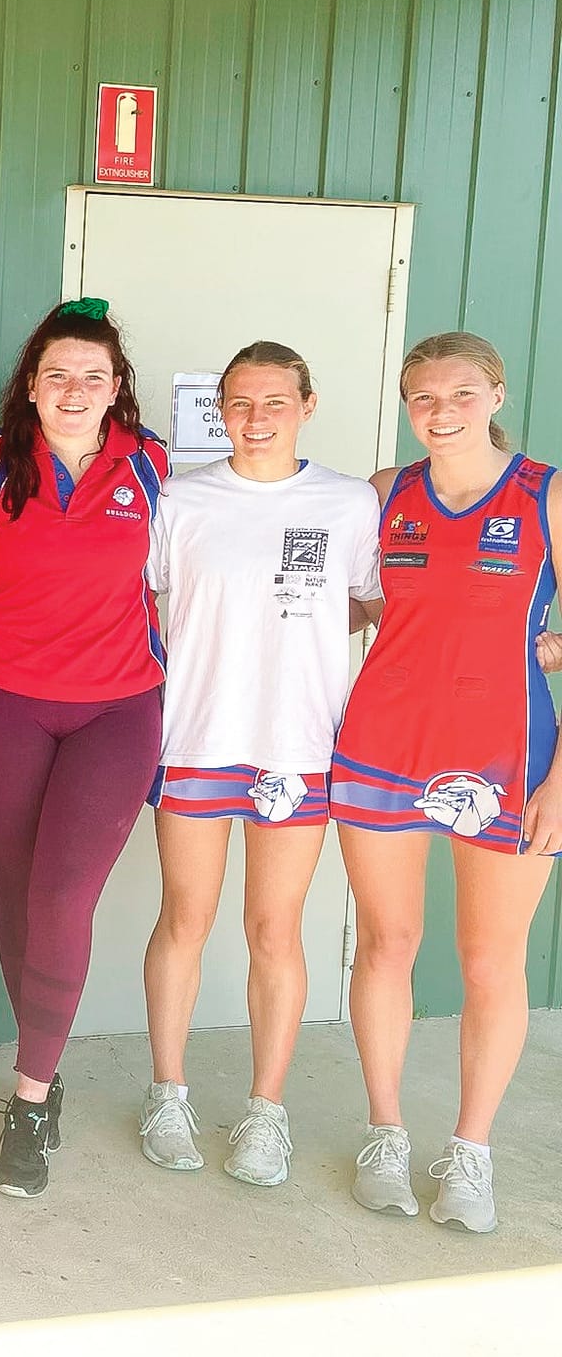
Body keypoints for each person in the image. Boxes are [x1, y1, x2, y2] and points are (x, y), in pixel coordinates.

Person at [331, 331, 561, 1233]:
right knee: (385, 944)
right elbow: (353, 607)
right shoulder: (387, 492)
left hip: (509, 754)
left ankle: (471, 1151)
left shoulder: (545, 493)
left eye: (461, 394)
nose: (441, 412)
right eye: (423, 397)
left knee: (489, 961)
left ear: (496, 396)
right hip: (383, 743)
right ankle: (385, 1132)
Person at [137, 342, 381, 1187]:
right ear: (220, 411)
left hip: (297, 747)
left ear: (307, 406)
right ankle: (168, 1094)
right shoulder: (180, 498)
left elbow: (374, 604)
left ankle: (265, 1111)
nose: (256, 418)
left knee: (274, 929)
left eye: (275, 402)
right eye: (239, 403)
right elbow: (139, 598)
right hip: (198, 738)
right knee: (185, 919)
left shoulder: (349, 502)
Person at [0, 296, 169, 1198]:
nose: (75, 390)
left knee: (62, 896)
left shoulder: (151, 465)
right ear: (32, 387)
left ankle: (29, 1099)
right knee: (18, 896)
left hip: (117, 709)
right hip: (5, 701)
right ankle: (43, 1068)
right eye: (58, 375)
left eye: (93, 375)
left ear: (116, 386)